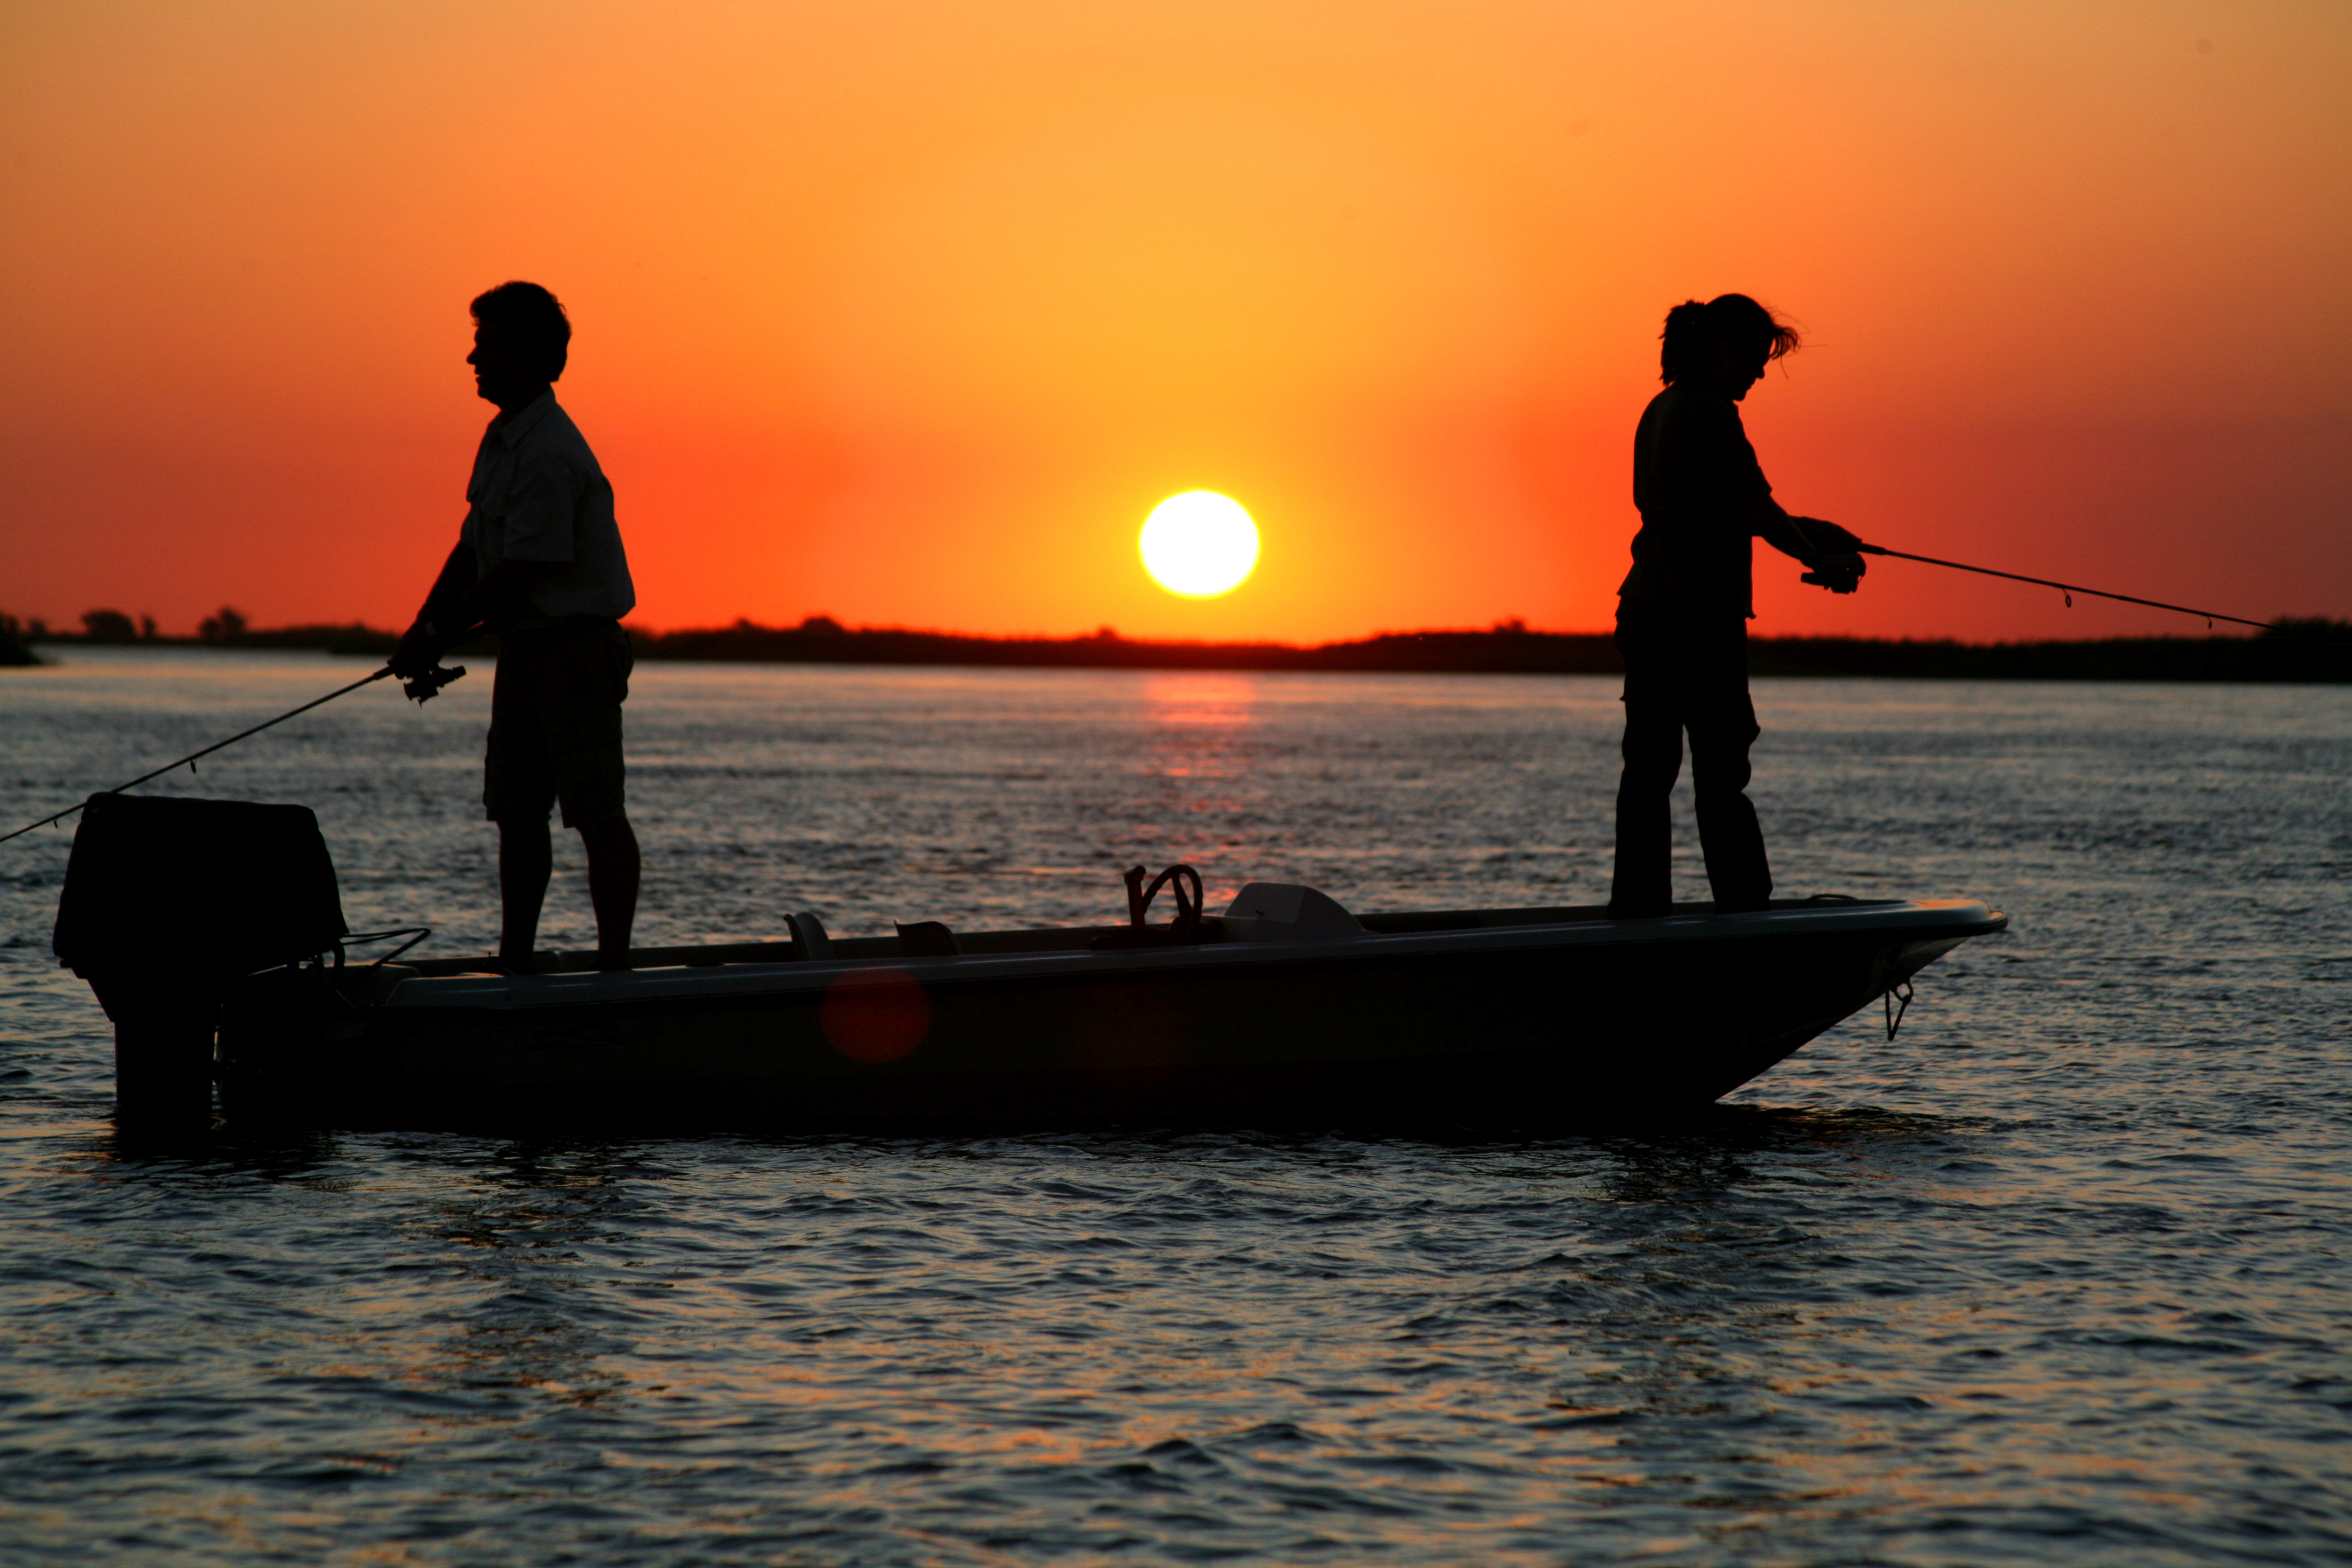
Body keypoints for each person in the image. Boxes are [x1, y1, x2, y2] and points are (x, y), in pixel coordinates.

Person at [389, 282, 641, 970]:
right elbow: (474, 547)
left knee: (595, 812)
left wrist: (438, 632)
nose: (472, 357)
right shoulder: (502, 441)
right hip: (524, 652)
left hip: (577, 650)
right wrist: (423, 624)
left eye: (488, 344)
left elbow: (526, 567)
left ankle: (615, 966)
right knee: (516, 811)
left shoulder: (551, 451)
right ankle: (516, 959)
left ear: (528, 356)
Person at [1608, 294, 1866, 918]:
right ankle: (1746, 910)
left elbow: (1722, 508)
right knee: (1721, 772)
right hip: (1696, 617)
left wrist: (1814, 533)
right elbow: (1752, 508)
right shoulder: (1709, 412)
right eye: (1754, 358)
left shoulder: (1664, 407)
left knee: (1649, 768)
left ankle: (1638, 909)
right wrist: (1820, 559)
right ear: (1724, 350)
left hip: (1647, 607)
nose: (1757, 372)